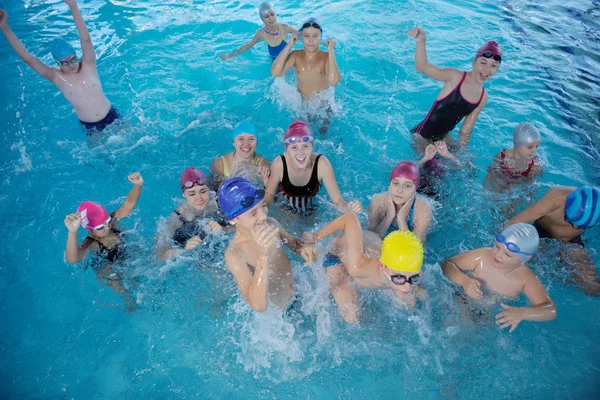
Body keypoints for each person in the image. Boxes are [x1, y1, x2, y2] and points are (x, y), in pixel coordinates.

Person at [0, 1, 119, 133]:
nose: (71, 64)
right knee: (100, 153)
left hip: (111, 115)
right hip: (90, 126)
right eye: (64, 62)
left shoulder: (88, 64)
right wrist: (5, 27)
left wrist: (73, 6)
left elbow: (85, 39)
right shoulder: (55, 76)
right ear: (58, 64)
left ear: (76, 55)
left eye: (73, 59)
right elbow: (28, 58)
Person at [218, 177, 319, 314]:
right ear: (234, 219)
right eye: (253, 213)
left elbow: (295, 245)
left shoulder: (271, 223)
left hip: (297, 296)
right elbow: (258, 305)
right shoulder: (235, 254)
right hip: (278, 319)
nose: (263, 216)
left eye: (263, 206)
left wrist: (305, 249)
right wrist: (262, 256)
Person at [302, 213, 427, 323]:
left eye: (413, 278)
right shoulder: (358, 267)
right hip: (336, 256)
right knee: (351, 315)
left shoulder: (410, 268)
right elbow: (350, 219)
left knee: (410, 302)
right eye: (399, 278)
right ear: (381, 266)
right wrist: (316, 237)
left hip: (371, 239)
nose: (407, 286)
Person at [442, 223, 557, 332]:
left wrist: (522, 313)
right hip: (461, 298)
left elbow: (550, 310)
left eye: (508, 254)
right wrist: (464, 281)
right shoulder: (482, 256)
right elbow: (448, 264)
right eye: (497, 246)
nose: (497, 255)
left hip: (486, 315)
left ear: (523, 261)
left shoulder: (526, 280)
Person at [408, 26, 501, 154]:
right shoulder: (455, 77)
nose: (486, 70)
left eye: (493, 66)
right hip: (421, 137)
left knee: (462, 167)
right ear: (474, 63)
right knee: (428, 171)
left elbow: (465, 132)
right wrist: (421, 41)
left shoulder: (483, 97)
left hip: (443, 139)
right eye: (483, 63)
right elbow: (422, 67)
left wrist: (463, 154)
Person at [63, 172, 143, 309]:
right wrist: (72, 232)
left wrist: (138, 186)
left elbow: (128, 205)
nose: (107, 227)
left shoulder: (112, 222)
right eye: (100, 227)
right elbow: (72, 258)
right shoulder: (90, 243)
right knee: (116, 281)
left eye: (107, 221)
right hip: (106, 264)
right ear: (90, 228)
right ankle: (128, 301)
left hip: (125, 256)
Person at [506, 186, 600, 296]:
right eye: (569, 220)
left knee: (592, 287)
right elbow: (509, 226)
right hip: (540, 235)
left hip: (572, 243)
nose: (574, 227)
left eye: (580, 226)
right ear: (566, 207)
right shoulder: (553, 201)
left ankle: (562, 277)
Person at [264, 120, 362, 215]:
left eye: (305, 146)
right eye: (294, 147)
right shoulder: (279, 164)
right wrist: (262, 212)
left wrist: (349, 208)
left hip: (311, 210)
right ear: (287, 150)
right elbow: (269, 195)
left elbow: (338, 201)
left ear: (312, 147)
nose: (300, 152)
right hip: (284, 208)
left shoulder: (322, 164)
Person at [156, 167, 228, 262]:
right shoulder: (177, 219)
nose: (199, 198)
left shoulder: (220, 202)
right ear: (184, 195)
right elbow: (159, 255)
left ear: (208, 189)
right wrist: (183, 249)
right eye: (192, 194)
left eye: (203, 191)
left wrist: (224, 229)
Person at [271, 18, 341, 100]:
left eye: (315, 36)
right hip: (303, 106)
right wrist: (289, 45)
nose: (311, 40)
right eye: (306, 36)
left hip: (323, 106)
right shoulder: (296, 56)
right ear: (301, 37)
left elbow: (334, 82)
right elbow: (275, 73)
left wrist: (330, 51)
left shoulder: (325, 57)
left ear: (320, 37)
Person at [367, 161, 432, 242]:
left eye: (407, 186)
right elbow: (368, 240)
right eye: (395, 183)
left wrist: (402, 219)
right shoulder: (378, 201)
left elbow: (416, 249)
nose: (400, 190)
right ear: (390, 184)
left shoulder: (423, 208)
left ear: (415, 189)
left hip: (431, 194)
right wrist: (389, 216)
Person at [220, 2, 298, 61]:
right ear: (262, 20)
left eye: (272, 14)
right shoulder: (262, 33)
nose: (271, 18)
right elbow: (248, 45)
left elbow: (300, 33)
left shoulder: (284, 28)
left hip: (288, 60)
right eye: (267, 16)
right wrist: (230, 56)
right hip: (274, 62)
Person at [209, 120, 270, 191]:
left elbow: (271, 193)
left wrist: (266, 181)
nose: (246, 144)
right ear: (233, 142)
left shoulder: (263, 165)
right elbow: (213, 191)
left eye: (251, 139)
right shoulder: (220, 164)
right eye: (241, 139)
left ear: (257, 143)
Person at [484, 123, 543, 192]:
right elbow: (491, 172)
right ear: (517, 143)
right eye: (530, 147)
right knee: (498, 186)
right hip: (503, 178)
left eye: (537, 146)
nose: (534, 150)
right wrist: (486, 186)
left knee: (515, 192)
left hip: (519, 184)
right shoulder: (502, 156)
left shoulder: (534, 165)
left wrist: (534, 173)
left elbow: (531, 187)